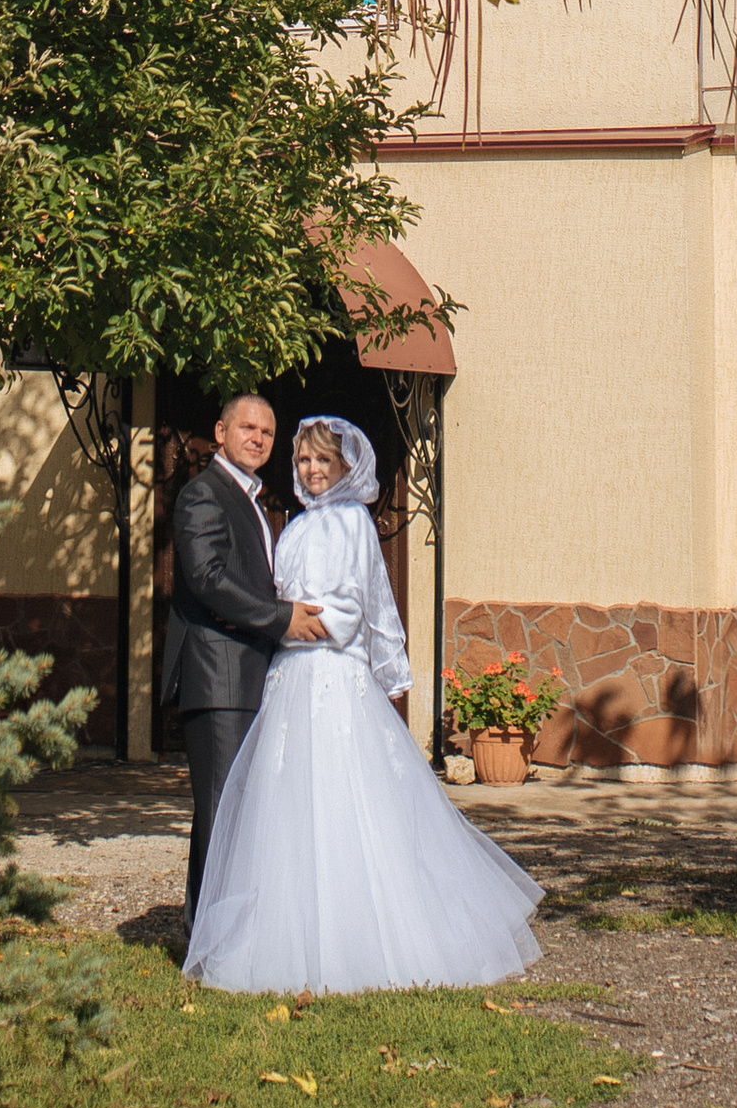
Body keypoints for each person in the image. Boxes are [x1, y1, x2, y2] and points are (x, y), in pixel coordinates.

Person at [185, 411, 542, 995]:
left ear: (345, 466)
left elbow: (353, 605)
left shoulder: (352, 522)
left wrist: (302, 625)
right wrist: (285, 622)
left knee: (341, 799)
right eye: (303, 460)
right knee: (288, 807)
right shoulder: (297, 525)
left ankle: (360, 936)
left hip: (326, 673)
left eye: (322, 460)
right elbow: (275, 592)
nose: (311, 470)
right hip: (289, 675)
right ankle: (284, 932)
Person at [162, 394, 327, 923]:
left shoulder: (252, 501)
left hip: (250, 677)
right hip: (218, 678)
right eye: (247, 428)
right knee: (220, 809)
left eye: (267, 433)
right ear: (220, 432)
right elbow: (208, 578)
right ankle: (205, 936)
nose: (257, 438)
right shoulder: (202, 494)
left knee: (236, 811)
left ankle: (221, 927)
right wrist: (283, 618)